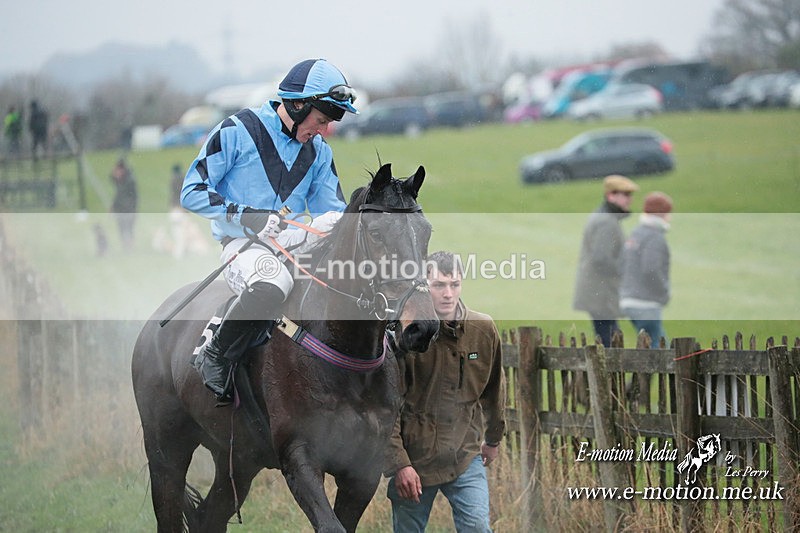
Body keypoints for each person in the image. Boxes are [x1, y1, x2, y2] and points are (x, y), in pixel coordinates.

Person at [180, 58, 358, 404]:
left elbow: (332, 214)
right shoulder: (236, 131)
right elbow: (191, 192)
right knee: (274, 283)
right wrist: (247, 216)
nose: (323, 131)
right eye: (321, 121)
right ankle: (215, 355)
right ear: (298, 105)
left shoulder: (319, 152)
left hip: (292, 240)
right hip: (241, 244)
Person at [386, 251, 506, 533]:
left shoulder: (482, 329)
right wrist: (399, 464)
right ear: (424, 286)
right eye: (439, 285)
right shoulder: (406, 336)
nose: (448, 293)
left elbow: (494, 390)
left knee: (477, 527)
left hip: (464, 454)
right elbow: (387, 408)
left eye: (454, 284)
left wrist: (493, 439)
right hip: (414, 461)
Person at [573, 174, 639, 347]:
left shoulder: (604, 217)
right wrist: (624, 271)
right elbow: (601, 259)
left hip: (599, 293)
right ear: (611, 195)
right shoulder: (607, 222)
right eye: (625, 195)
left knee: (608, 337)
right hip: (602, 294)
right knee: (609, 341)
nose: (630, 199)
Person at [620, 192, 673, 346]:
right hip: (646, 303)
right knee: (659, 348)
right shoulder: (655, 237)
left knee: (648, 345)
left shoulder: (636, 233)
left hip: (629, 299)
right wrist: (663, 292)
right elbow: (651, 269)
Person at [109, 157, 138, 249]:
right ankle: (125, 246)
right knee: (121, 229)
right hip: (121, 209)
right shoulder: (120, 180)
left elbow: (130, 197)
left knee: (128, 229)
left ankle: (130, 246)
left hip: (128, 210)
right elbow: (112, 178)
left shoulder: (129, 181)